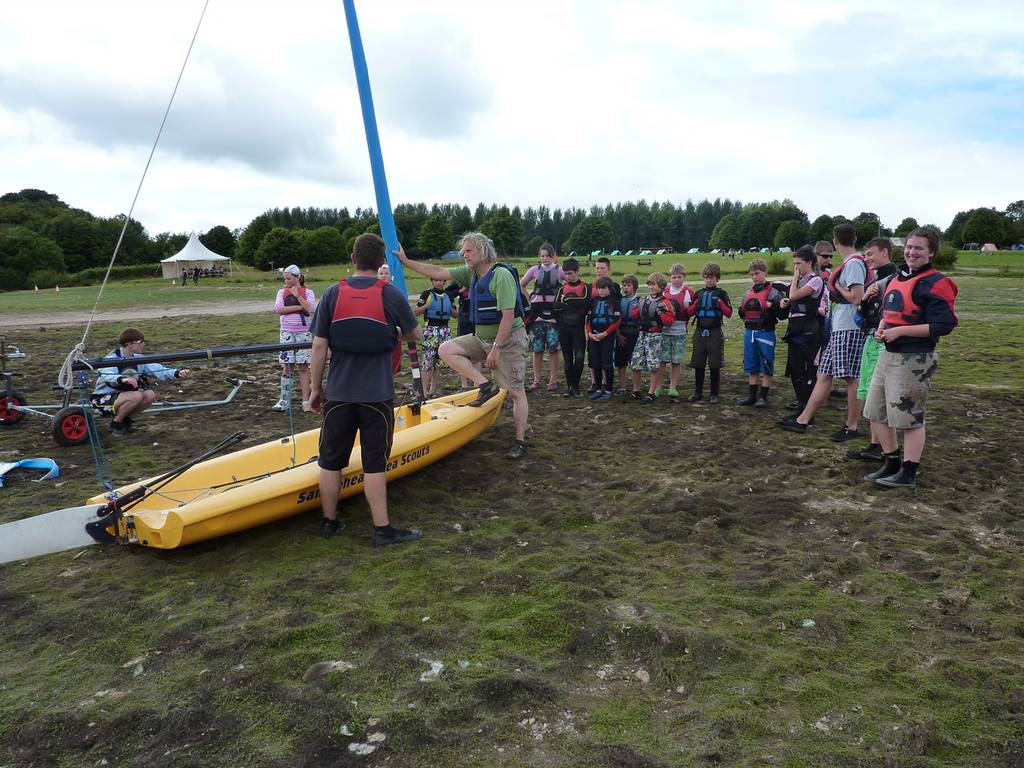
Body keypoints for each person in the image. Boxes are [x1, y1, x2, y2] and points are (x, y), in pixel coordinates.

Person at [309, 233, 422, 545]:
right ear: (381, 263)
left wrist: (316, 390)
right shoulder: (392, 295)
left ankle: (330, 522)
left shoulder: (332, 294)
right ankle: (382, 529)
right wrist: (394, 333)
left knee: (330, 460)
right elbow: (415, 334)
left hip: (339, 393)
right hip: (376, 394)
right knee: (374, 462)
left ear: (353, 259)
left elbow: (319, 347)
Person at [396, 232, 531, 459]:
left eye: (468, 251)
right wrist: (406, 261)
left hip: (508, 341)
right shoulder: (472, 274)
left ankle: (520, 439)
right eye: (463, 251)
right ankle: (486, 386)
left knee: (516, 391)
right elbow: (438, 272)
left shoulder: (501, 276)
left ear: (482, 250)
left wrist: (496, 347)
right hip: (481, 338)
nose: (464, 255)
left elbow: (508, 316)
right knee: (445, 350)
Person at [862, 228, 957, 488]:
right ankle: (891, 461)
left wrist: (901, 331)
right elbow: (889, 312)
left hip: (915, 358)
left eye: (919, 248)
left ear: (931, 252)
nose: (912, 252)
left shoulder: (936, 282)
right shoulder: (897, 278)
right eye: (909, 247)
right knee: (875, 411)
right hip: (888, 355)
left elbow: (944, 325)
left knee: (909, 419)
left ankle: (908, 471)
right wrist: (882, 326)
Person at [778, 223, 868, 439]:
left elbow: (857, 297)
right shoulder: (848, 263)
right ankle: (803, 419)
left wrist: (836, 287)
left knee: (850, 377)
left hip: (849, 326)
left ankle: (852, 426)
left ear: (836, 242)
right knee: (823, 373)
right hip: (839, 326)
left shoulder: (854, 263)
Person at [846, 238, 899, 461]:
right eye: (865, 255)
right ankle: (874, 445)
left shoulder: (894, 279)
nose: (866, 258)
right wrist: (864, 300)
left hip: (882, 342)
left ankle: (885, 449)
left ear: (885, 252)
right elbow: (862, 315)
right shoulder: (876, 280)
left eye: (870, 254)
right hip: (870, 339)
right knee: (869, 392)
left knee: (879, 395)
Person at [92, 328, 191, 435]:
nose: (144, 344)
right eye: (140, 342)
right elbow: (106, 374)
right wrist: (123, 379)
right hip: (101, 401)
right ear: (129, 344)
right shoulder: (111, 358)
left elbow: (159, 369)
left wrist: (177, 373)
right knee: (137, 396)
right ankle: (115, 424)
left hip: (125, 397)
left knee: (150, 395)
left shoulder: (139, 359)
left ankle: (124, 421)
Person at [780, 245, 824, 411]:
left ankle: (808, 404)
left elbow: (794, 295)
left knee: (809, 370)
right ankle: (800, 400)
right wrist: (786, 303)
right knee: (794, 368)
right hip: (794, 330)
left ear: (810, 262)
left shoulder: (816, 280)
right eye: (794, 264)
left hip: (808, 331)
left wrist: (794, 279)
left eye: (798, 263)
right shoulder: (800, 281)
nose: (796, 267)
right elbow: (792, 299)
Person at [737, 258, 786, 407]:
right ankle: (752, 396)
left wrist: (772, 306)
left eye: (757, 273)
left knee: (767, 365)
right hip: (750, 332)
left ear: (765, 272)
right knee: (751, 365)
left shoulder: (774, 293)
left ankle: (763, 397)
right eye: (751, 274)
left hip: (766, 332)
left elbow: (782, 315)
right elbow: (742, 313)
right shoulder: (748, 293)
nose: (754, 277)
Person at [519, 243, 564, 392]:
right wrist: (529, 298)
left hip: (554, 316)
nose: (545, 258)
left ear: (553, 256)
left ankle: (553, 380)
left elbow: (570, 284)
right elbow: (521, 284)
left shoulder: (559, 271)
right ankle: (536, 380)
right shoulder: (534, 270)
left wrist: (562, 299)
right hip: (537, 315)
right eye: (542, 256)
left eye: (548, 256)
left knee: (553, 349)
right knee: (537, 350)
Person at [273, 264, 317, 412]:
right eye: (285, 279)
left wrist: (297, 295)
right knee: (287, 367)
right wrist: (300, 307)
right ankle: (284, 400)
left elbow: (311, 309)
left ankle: (306, 401)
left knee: (303, 367)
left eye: (289, 278)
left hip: (303, 333)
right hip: (286, 333)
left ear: (297, 277)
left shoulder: (308, 292)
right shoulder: (281, 292)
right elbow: (279, 309)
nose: (286, 281)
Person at [687, 263, 732, 404]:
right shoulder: (699, 293)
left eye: (711, 277)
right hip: (700, 331)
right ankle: (698, 392)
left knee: (714, 364)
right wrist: (696, 303)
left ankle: (714, 394)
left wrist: (719, 302)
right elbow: (689, 313)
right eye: (706, 277)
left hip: (715, 332)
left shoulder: (722, 294)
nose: (708, 280)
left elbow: (729, 313)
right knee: (698, 363)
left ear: (717, 278)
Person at [628, 273, 675, 402]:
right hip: (642, 334)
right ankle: (636, 390)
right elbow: (634, 314)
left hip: (655, 335)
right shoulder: (643, 299)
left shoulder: (665, 302)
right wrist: (637, 309)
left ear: (661, 286)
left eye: (654, 284)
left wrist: (661, 313)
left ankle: (651, 392)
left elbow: (670, 321)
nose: (651, 287)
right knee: (635, 363)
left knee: (654, 365)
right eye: (649, 284)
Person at [552, 258, 591, 398]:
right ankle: (570, 387)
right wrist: (569, 305)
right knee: (567, 360)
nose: (567, 276)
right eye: (565, 274)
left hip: (578, 329)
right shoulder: (562, 288)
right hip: (564, 328)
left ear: (577, 272)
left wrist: (567, 300)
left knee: (579, 358)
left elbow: (585, 300)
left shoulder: (585, 287)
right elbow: (555, 306)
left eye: (570, 273)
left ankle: (575, 385)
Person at [660, 263, 695, 403]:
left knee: (676, 361)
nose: (676, 280)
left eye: (679, 277)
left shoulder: (688, 292)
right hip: (665, 330)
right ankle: (657, 386)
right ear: (670, 278)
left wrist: (688, 309)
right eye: (674, 277)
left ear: (684, 277)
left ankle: (673, 387)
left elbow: (691, 311)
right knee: (662, 360)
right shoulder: (665, 292)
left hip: (680, 330)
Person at [415, 277, 454, 399]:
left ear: (444, 282)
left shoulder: (449, 295)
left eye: (440, 280)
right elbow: (416, 312)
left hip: (445, 330)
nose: (438, 282)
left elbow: (456, 314)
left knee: (438, 363)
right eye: (436, 280)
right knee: (427, 361)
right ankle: (424, 391)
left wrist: (451, 309)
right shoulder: (427, 294)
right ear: (432, 281)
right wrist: (427, 306)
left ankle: (433, 390)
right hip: (431, 329)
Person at [585, 276, 622, 400]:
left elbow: (617, 321)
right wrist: (590, 333)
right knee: (596, 364)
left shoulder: (614, 302)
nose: (600, 291)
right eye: (599, 288)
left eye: (603, 288)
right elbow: (588, 320)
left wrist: (605, 333)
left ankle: (609, 390)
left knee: (607, 364)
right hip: (594, 336)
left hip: (607, 337)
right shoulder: (593, 301)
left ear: (609, 289)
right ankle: (598, 388)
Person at [615, 275, 641, 395]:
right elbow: (615, 321)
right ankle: (621, 386)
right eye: (624, 285)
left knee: (635, 362)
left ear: (634, 287)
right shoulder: (620, 301)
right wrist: (618, 335)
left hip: (635, 334)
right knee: (621, 362)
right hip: (621, 334)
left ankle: (636, 387)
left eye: (628, 286)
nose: (625, 288)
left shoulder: (640, 301)